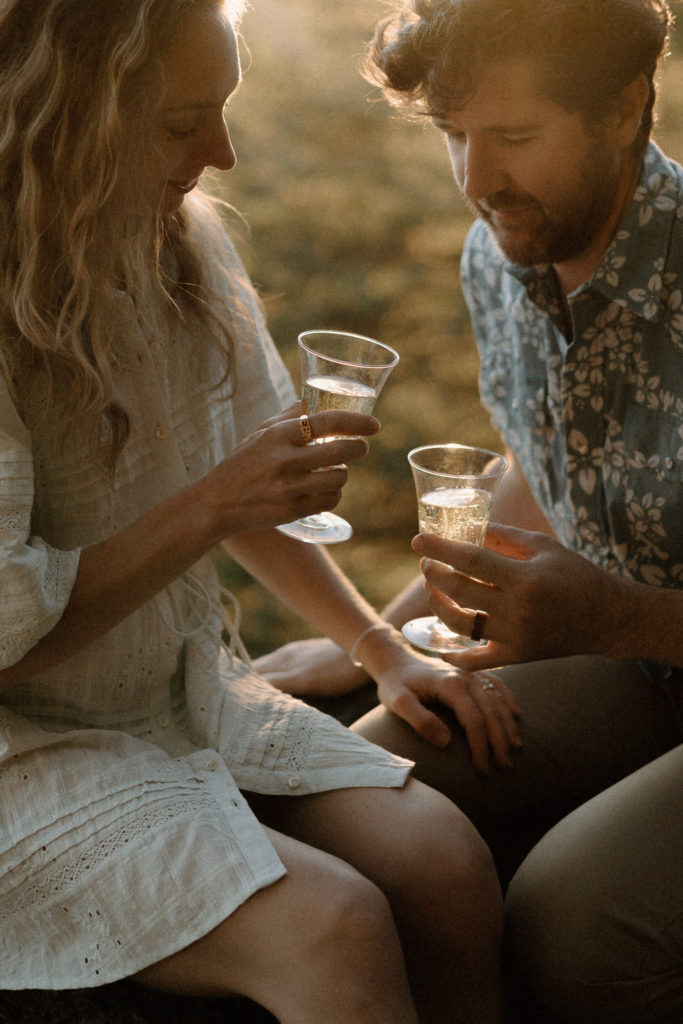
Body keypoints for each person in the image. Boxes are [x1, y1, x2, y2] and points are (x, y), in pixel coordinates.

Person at [0, 1, 512, 1021]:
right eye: (183, 121)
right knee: (334, 926)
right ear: (71, 111)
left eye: (226, 111)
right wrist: (207, 506)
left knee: (446, 862)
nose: (222, 154)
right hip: (26, 748)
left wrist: (380, 647)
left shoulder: (181, 244)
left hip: (184, 695)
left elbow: (252, 495)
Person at [255, 0, 683, 1020]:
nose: (476, 178)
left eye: (515, 137)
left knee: (568, 928)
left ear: (624, 108)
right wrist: (373, 634)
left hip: (633, 642)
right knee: (362, 799)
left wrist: (610, 618)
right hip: (634, 666)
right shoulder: (499, 252)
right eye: (454, 135)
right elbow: (533, 475)